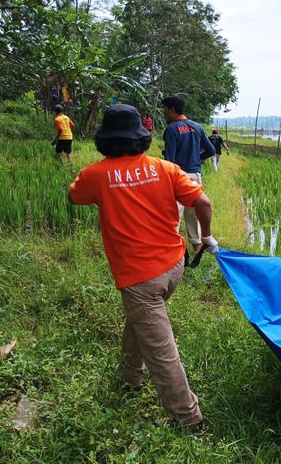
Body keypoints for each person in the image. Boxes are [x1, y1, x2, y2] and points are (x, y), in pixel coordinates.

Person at [68, 104, 219, 427]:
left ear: (105, 139)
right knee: (140, 321)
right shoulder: (166, 169)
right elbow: (202, 202)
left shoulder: (96, 174)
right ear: (141, 136)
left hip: (138, 277)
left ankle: (189, 418)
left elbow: (74, 196)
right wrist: (205, 236)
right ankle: (129, 377)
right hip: (174, 267)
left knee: (161, 351)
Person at [162, 96, 215, 252]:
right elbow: (211, 150)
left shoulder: (172, 129)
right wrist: (196, 159)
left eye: (165, 110)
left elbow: (169, 161)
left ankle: (172, 249)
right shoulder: (197, 126)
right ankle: (197, 247)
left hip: (178, 176)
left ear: (172, 110)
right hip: (195, 176)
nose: (164, 114)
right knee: (193, 213)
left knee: (174, 214)